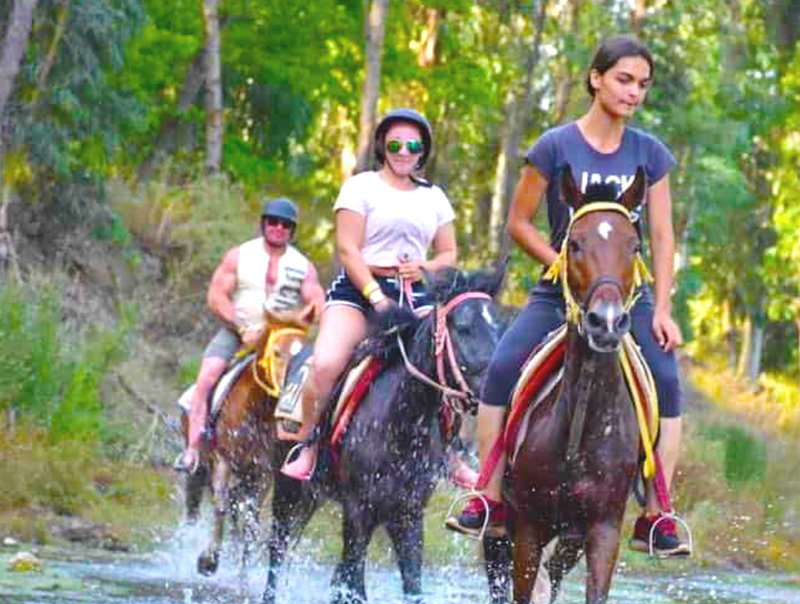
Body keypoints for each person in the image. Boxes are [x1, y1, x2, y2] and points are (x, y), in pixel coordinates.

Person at [445, 36, 689, 557]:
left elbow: (663, 237)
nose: (634, 92)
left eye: (643, 84)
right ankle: (488, 497)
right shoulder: (555, 147)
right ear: (596, 78)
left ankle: (656, 513)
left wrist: (662, 308)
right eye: (624, 79)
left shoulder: (651, 155)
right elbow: (518, 222)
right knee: (502, 367)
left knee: (666, 378)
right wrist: (557, 263)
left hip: (626, 299)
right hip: (560, 292)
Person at [280, 108, 463, 481]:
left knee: (452, 365)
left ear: (422, 150)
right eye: (395, 143)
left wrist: (424, 268)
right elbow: (348, 249)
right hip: (359, 289)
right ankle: (310, 444)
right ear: (383, 145)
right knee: (327, 363)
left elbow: (449, 255)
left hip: (414, 293)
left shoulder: (435, 197)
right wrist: (375, 295)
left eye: (412, 144)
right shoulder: (361, 186)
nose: (403, 151)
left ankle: (450, 451)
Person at [175, 198, 325, 474]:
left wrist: (301, 318)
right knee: (207, 376)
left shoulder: (303, 266)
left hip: (281, 338)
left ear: (292, 230)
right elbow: (216, 295)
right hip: (239, 332)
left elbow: (318, 301)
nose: (279, 228)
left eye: (286, 225)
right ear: (263, 224)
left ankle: (305, 451)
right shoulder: (239, 256)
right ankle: (193, 448)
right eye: (273, 222)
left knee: (311, 383)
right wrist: (240, 325)